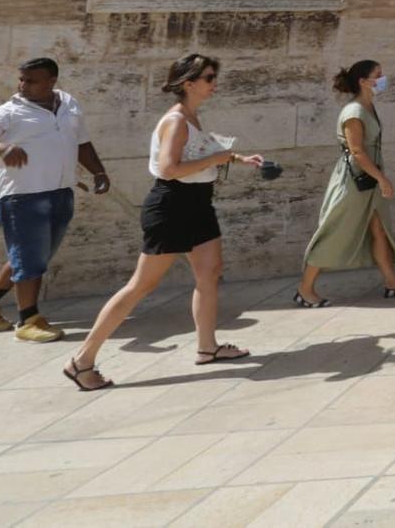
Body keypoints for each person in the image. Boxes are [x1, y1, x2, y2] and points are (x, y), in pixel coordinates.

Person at [62, 54, 265, 391]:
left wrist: (236, 158)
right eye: (210, 77)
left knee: (209, 274)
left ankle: (207, 347)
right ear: (188, 83)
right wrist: (217, 157)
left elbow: (195, 157)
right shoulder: (175, 121)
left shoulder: (192, 117)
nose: (215, 83)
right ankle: (81, 361)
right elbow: (170, 168)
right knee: (141, 285)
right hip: (172, 206)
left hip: (198, 204)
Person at [0, 58, 110, 342]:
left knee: (32, 257)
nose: (23, 85)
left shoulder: (68, 104)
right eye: (22, 79)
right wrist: (1, 146)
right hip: (21, 197)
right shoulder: (7, 112)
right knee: (30, 259)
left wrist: (98, 172)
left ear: (52, 81)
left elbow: (82, 142)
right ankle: (28, 320)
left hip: (61, 192)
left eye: (32, 80)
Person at [295, 60, 395, 306]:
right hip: (354, 182)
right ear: (363, 81)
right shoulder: (354, 112)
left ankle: (391, 281)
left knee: (378, 229)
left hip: (368, 181)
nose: (382, 79)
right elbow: (358, 151)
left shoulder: (367, 106)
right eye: (378, 75)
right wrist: (382, 178)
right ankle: (305, 289)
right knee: (335, 232)